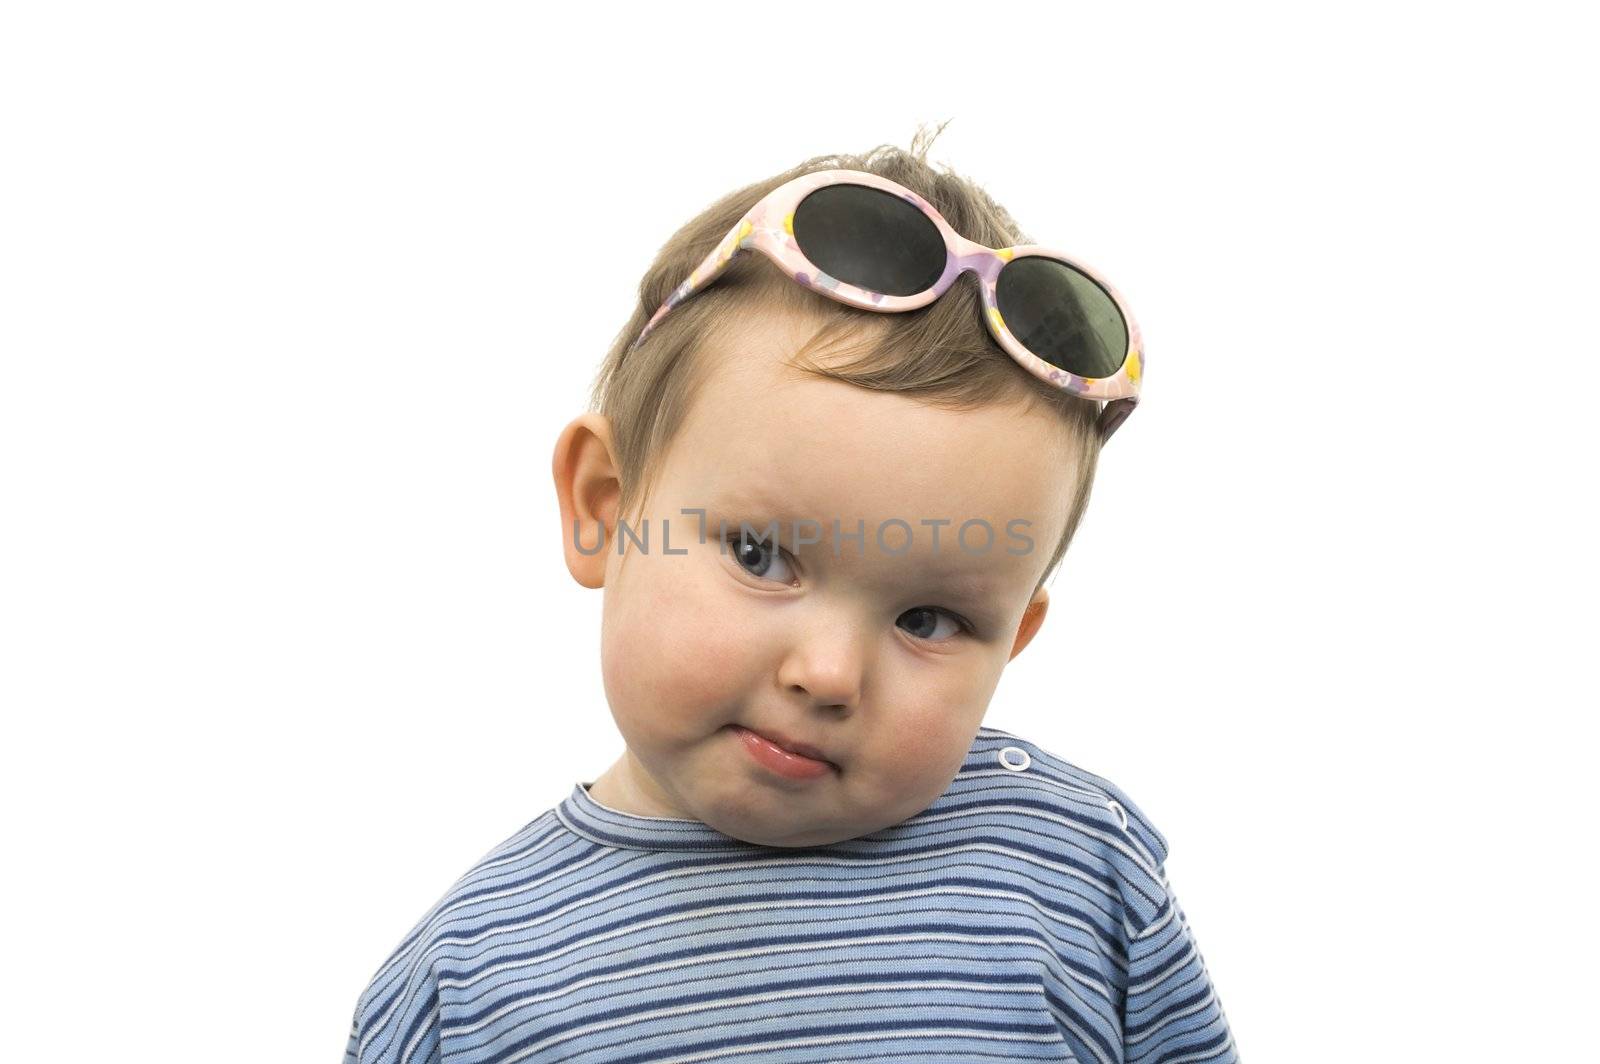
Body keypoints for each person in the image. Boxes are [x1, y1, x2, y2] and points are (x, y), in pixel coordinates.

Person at [344, 131, 1238, 1063]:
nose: (829, 674)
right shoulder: (470, 983)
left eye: (928, 621)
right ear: (605, 508)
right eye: (763, 557)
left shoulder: (1074, 868)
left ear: (1013, 642)